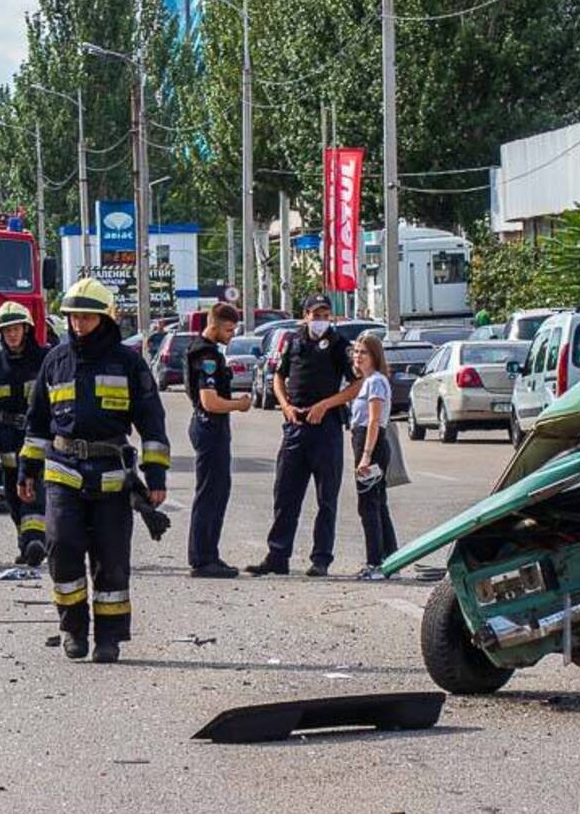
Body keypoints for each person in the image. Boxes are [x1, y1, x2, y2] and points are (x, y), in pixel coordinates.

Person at [18, 278, 171, 663]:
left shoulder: (128, 363)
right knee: (62, 547)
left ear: (104, 318)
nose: (78, 324)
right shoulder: (55, 361)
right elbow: (37, 423)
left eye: (86, 316)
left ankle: (109, 638)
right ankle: (72, 628)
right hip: (63, 469)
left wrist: (156, 478)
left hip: (112, 474)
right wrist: (27, 469)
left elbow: (152, 423)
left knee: (111, 558)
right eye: (72, 317)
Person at [247, 295, 360, 578]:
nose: (322, 319)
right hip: (296, 426)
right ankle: (277, 556)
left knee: (326, 499)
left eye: (326, 313)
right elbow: (278, 376)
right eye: (316, 313)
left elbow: (358, 384)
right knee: (285, 495)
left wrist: (326, 404)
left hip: (326, 427)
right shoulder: (293, 341)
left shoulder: (339, 345)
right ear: (306, 315)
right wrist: (284, 405)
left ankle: (321, 558)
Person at [0, 300, 50, 566]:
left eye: (16, 328)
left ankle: (36, 541)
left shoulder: (44, 359)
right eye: (6, 330)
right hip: (7, 438)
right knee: (12, 495)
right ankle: (27, 544)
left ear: (27, 329)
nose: (12, 334)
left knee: (34, 491)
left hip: (39, 437)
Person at [185, 302, 251, 579]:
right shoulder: (207, 355)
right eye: (228, 329)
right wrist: (239, 404)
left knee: (216, 491)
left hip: (209, 427)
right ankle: (203, 558)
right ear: (213, 325)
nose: (231, 334)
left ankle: (208, 554)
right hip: (209, 426)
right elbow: (209, 401)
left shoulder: (205, 351)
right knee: (211, 493)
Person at [349, 334, 398, 579]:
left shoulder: (375, 382)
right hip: (366, 442)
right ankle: (391, 559)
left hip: (371, 444)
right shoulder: (368, 381)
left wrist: (366, 456)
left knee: (368, 505)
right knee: (378, 503)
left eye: (364, 352)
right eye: (356, 351)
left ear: (375, 356)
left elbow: (373, 420)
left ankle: (375, 563)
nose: (358, 356)